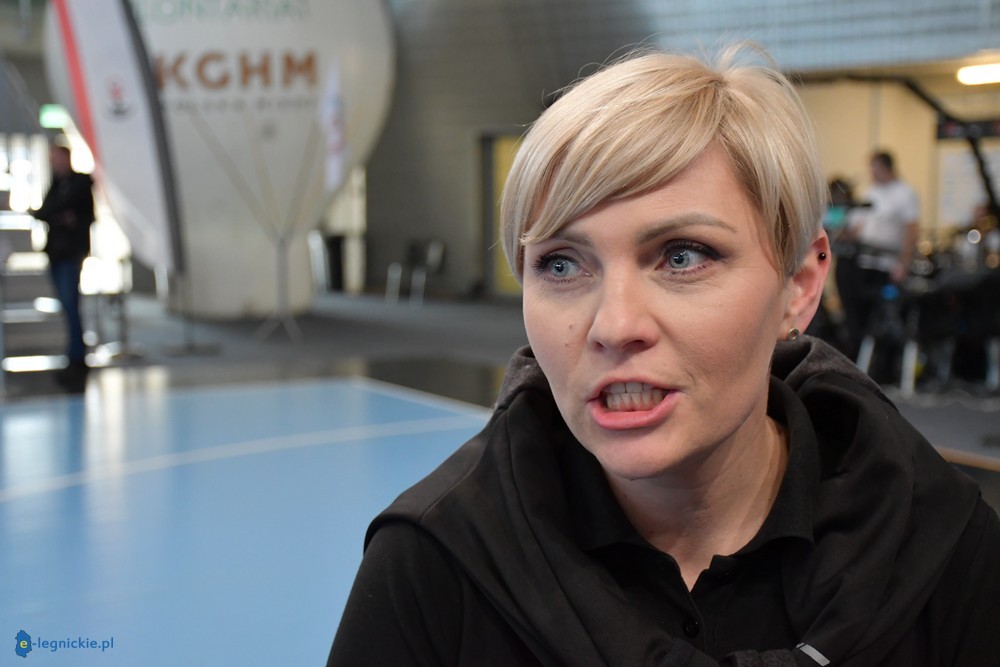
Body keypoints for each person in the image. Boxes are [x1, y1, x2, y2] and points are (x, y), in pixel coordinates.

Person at [328, 44, 1000, 666]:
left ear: (798, 285)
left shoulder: (947, 553)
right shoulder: (432, 568)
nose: (615, 326)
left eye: (682, 256)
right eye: (561, 264)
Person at [835, 151, 920, 364]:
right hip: (865, 262)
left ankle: (885, 364)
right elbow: (856, 228)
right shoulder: (871, 193)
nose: (870, 172)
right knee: (859, 315)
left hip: (887, 264)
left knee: (884, 317)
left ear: (885, 167)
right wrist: (836, 226)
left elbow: (911, 230)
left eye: (873, 167)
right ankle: (858, 359)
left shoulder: (904, 193)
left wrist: (903, 263)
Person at [30, 143, 95, 389]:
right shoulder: (57, 184)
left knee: (71, 306)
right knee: (66, 308)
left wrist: (57, 214)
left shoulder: (80, 182)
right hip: (56, 253)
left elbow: (59, 211)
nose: (53, 162)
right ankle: (73, 356)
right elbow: (43, 212)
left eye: (56, 158)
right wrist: (61, 216)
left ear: (67, 158)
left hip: (71, 253)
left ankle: (77, 359)